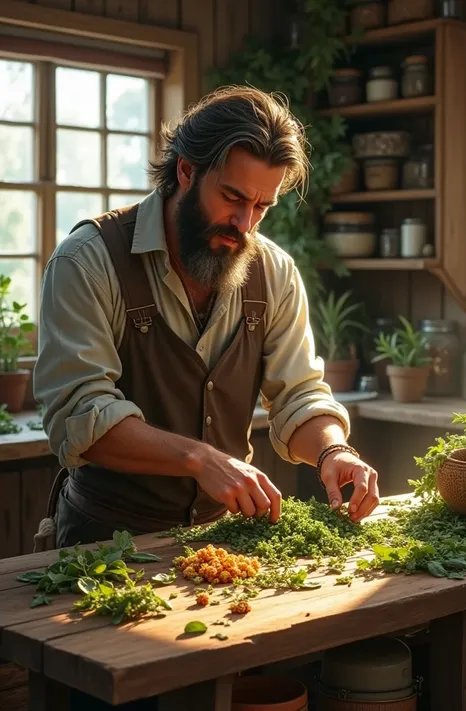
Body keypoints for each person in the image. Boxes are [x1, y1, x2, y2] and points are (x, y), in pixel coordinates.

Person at [34, 86, 379, 551]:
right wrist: (199, 458)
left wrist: (332, 449)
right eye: (233, 197)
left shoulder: (273, 273)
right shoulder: (87, 262)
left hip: (221, 543)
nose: (245, 223)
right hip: (102, 545)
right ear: (185, 170)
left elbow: (298, 395)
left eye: (262, 206)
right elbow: (80, 417)